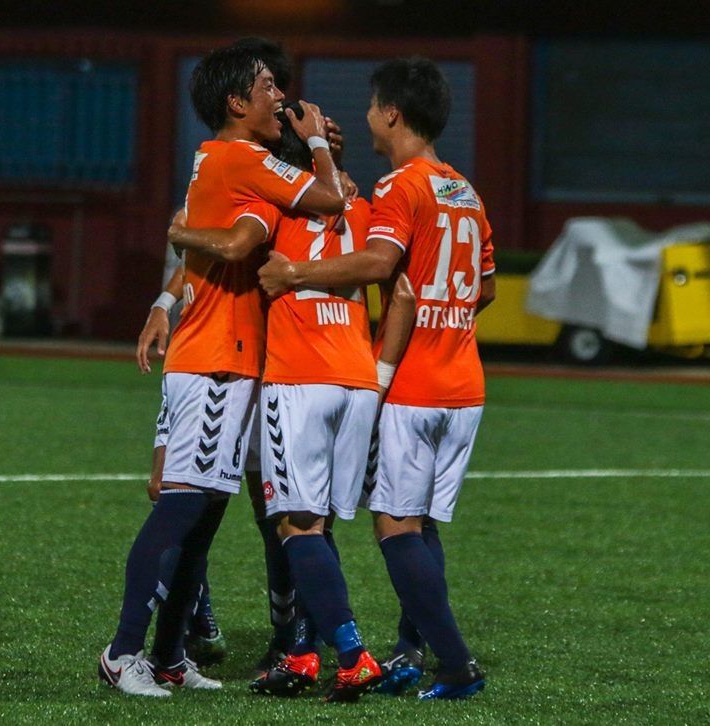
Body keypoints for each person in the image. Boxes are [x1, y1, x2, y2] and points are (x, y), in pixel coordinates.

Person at [99, 43, 345, 698]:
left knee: (203, 522)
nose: (282, 97)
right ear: (237, 102)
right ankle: (123, 652)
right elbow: (327, 200)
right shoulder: (240, 158)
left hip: (228, 364)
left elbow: (226, 242)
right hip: (214, 366)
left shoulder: (229, 165)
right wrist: (317, 143)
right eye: (268, 87)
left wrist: (165, 294)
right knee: (178, 513)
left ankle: (172, 656)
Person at [258, 56, 496, 700]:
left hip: (414, 385)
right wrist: (448, 317)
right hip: (466, 383)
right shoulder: (464, 190)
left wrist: (294, 276)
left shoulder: (400, 187)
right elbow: (487, 287)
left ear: (392, 113)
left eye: (370, 107)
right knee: (421, 524)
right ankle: (411, 653)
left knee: (394, 527)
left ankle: (455, 664)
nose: (367, 117)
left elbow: (378, 262)